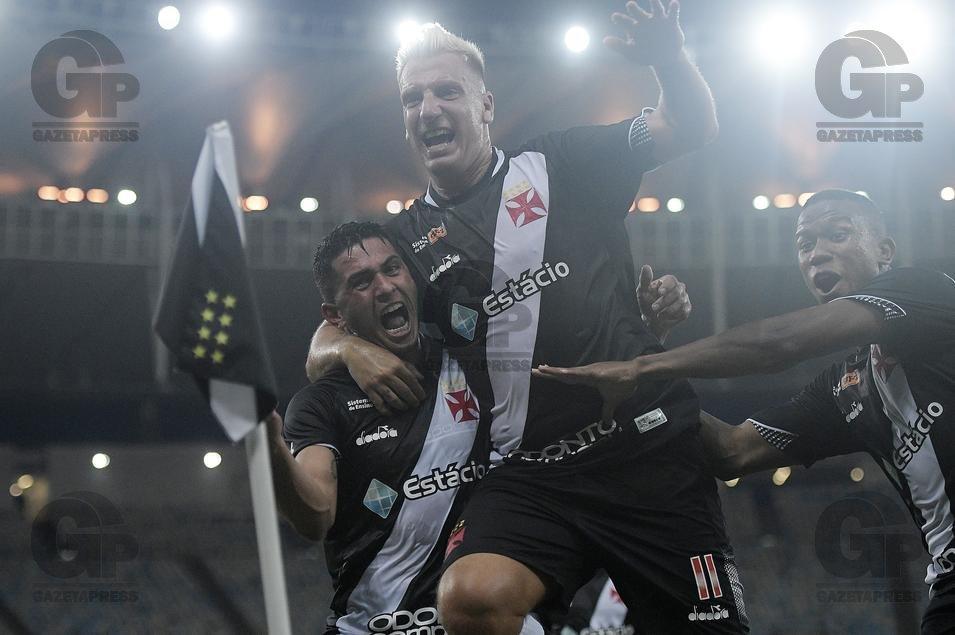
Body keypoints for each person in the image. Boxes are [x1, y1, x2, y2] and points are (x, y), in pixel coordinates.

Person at [306, 4, 748, 633]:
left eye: (447, 91)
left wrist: (669, 58)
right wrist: (351, 350)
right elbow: (331, 329)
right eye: (412, 98)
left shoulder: (563, 162)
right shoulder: (403, 243)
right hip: (534, 471)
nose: (428, 108)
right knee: (471, 599)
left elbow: (690, 126)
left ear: (486, 106)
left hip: (643, 451)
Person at [534, 189, 955, 634]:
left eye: (838, 235)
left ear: (884, 251)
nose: (817, 254)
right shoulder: (849, 387)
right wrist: (643, 355)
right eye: (805, 244)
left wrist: (641, 366)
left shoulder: (926, 292)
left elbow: (779, 343)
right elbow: (731, 450)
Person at [268, 221, 523, 634]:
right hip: (374, 626)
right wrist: (270, 446)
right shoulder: (320, 403)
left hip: (481, 622)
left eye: (392, 269)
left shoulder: (475, 362)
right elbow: (315, 517)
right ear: (334, 316)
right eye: (362, 282)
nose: (385, 287)